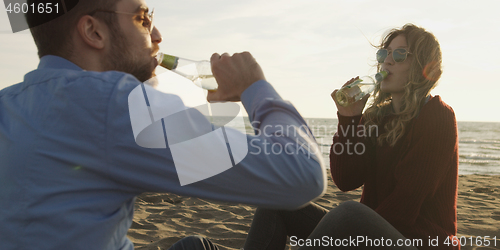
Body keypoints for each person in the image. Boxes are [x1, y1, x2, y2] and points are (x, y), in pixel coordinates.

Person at [0, 0, 327, 249]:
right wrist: (254, 87)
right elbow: (301, 173)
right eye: (143, 18)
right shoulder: (115, 103)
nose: (157, 35)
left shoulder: (9, 102)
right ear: (93, 32)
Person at [243, 24, 459, 250]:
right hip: (371, 234)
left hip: (418, 243)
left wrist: (347, 236)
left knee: (350, 213)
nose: (387, 61)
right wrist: (349, 118)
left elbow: (403, 209)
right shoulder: (378, 117)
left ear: (423, 66)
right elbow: (346, 179)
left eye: (400, 54)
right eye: (384, 53)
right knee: (278, 202)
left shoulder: (437, 116)